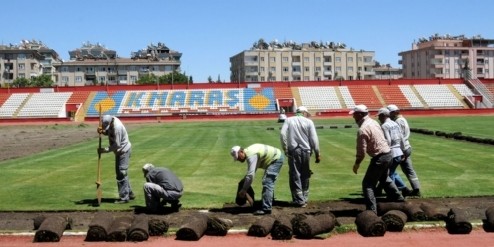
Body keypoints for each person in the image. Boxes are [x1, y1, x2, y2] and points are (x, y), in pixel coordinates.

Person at [350, 104, 404, 214]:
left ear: (360, 114)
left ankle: (371, 211)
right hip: (388, 154)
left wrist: (357, 164)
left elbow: (361, 151)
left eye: (354, 115)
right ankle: (398, 197)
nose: (353, 117)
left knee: (368, 184)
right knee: (384, 178)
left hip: (380, 157)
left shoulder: (363, 129)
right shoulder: (374, 122)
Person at [280, 106, 321, 207]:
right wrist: (317, 153)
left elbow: (282, 134)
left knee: (295, 174)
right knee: (305, 174)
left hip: (293, 151)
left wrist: (285, 148)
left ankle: (298, 199)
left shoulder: (288, 120)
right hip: (306, 151)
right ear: (304, 112)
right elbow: (314, 139)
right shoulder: (309, 122)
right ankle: (304, 198)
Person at [230, 144, 284, 215]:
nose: (238, 160)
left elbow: (250, 175)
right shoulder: (250, 153)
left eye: (238, 157)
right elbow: (251, 173)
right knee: (268, 181)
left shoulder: (251, 155)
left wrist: (244, 190)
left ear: (241, 152)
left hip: (276, 159)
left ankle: (267, 208)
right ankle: (269, 201)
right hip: (275, 156)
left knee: (267, 182)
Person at [97, 115, 135, 204]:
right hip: (119, 151)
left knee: (121, 173)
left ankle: (124, 198)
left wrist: (105, 150)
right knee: (122, 173)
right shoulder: (111, 120)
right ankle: (130, 193)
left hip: (123, 151)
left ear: (111, 122)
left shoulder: (117, 128)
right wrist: (103, 131)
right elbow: (109, 131)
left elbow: (116, 145)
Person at [387, 104, 421, 197]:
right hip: (406, 147)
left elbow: (399, 137)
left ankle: (394, 191)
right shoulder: (401, 119)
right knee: (409, 170)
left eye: (389, 113)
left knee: (389, 170)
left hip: (401, 149)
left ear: (393, 112)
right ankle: (415, 189)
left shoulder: (398, 121)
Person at [376, 108, 411, 196]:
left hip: (391, 152)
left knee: (388, 174)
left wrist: (383, 151)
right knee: (392, 172)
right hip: (399, 151)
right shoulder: (395, 123)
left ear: (383, 115)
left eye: (379, 116)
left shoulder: (385, 126)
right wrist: (404, 151)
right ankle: (403, 188)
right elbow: (402, 138)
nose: (378, 118)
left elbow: (388, 140)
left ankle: (394, 193)